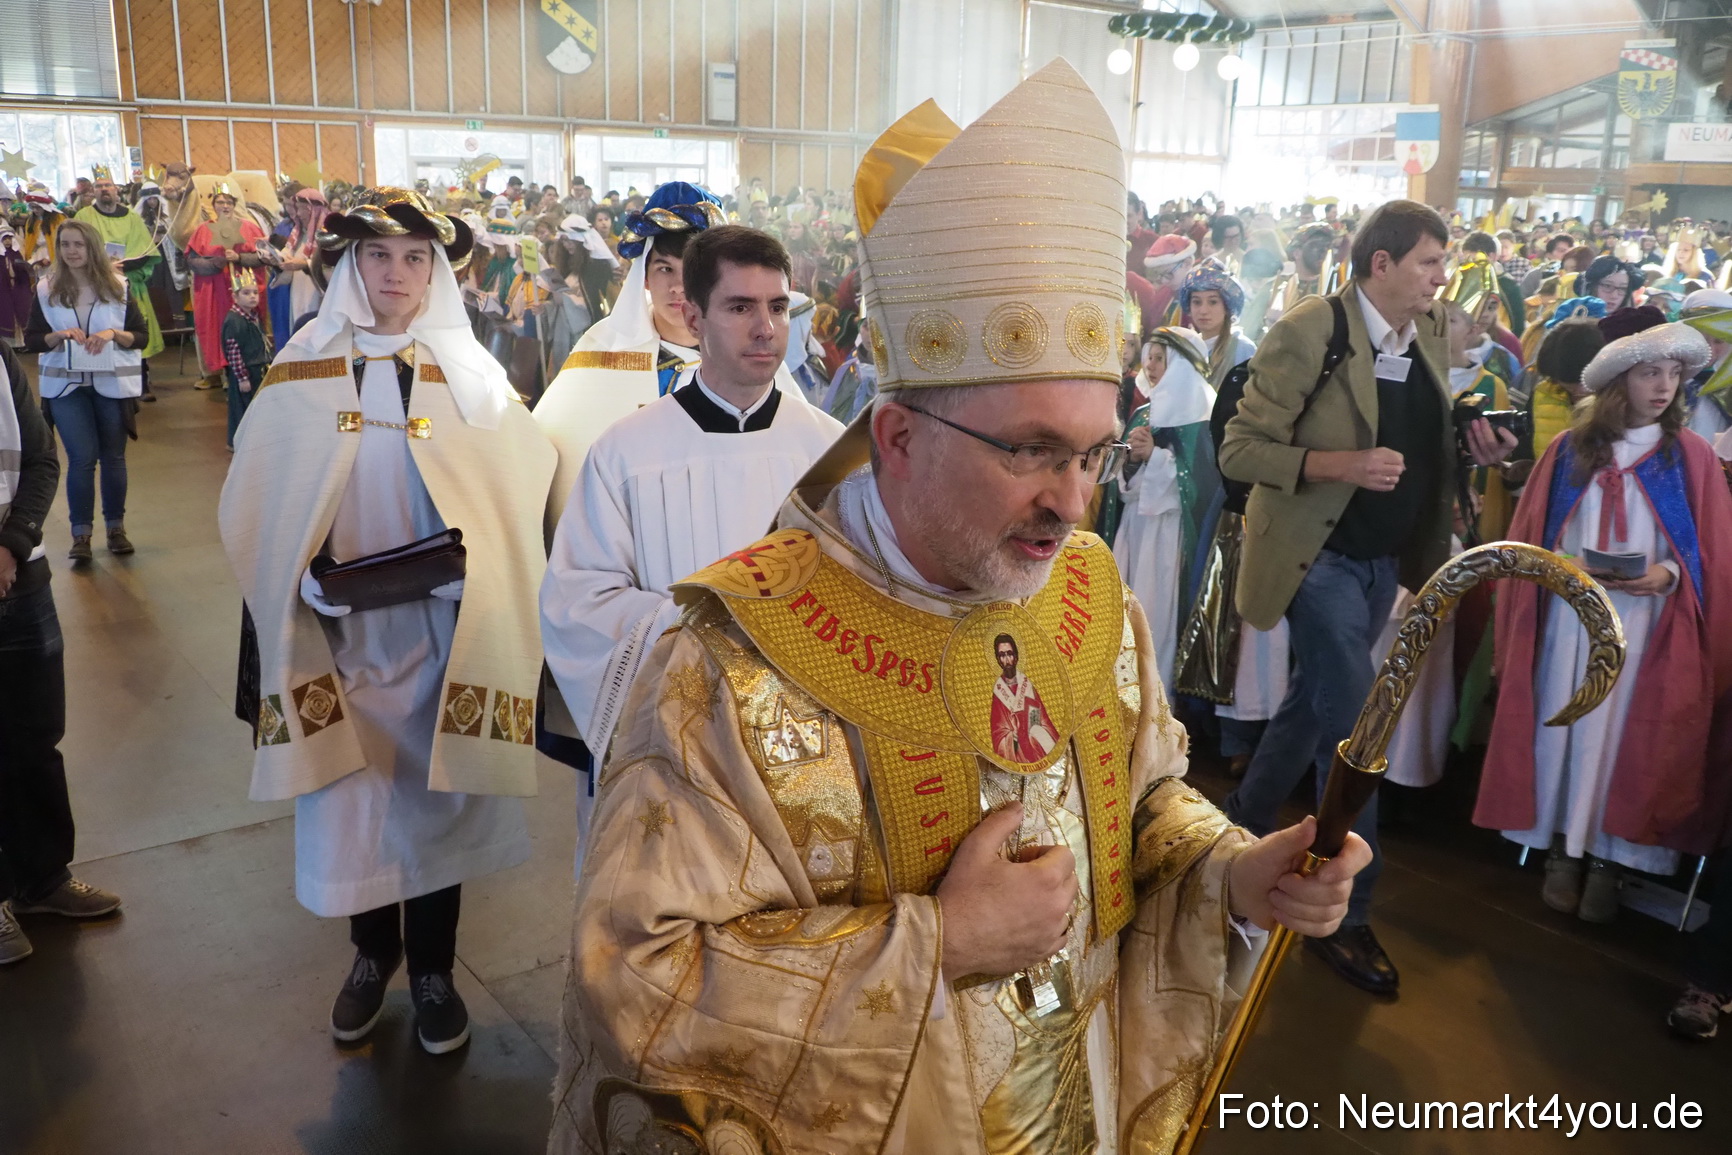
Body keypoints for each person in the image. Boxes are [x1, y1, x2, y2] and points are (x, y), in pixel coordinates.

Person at [547, 60, 1370, 1155]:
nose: (1069, 504)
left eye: (1089, 454)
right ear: (896, 437)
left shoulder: (1086, 591)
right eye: (1030, 451)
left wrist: (1230, 875)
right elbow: (636, 979)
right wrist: (937, 945)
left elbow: (1143, 800)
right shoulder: (730, 661)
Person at [217, 188, 557, 1054]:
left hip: (442, 636)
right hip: (338, 640)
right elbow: (254, 497)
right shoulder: (299, 371)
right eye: (378, 257)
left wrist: (477, 572)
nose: (396, 274)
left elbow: (520, 489)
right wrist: (298, 580)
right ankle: (371, 957)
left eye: (414, 258)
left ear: (435, 270)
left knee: (432, 800)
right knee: (353, 801)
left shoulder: (473, 377)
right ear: (350, 266)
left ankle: (436, 969)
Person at [1219, 199, 1516, 995]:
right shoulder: (1312, 330)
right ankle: (1347, 916)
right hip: (1316, 556)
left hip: (1381, 559)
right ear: (1379, 264)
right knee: (1355, 728)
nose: (1439, 279)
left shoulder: (1418, 332)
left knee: (1313, 702)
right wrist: (1341, 465)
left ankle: (1238, 821)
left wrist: (1472, 433)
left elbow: (1416, 425)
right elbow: (1241, 449)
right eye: (1426, 262)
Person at [539, 225, 842, 854]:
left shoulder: (829, 450)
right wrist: (707, 628)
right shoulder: (627, 451)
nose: (766, 328)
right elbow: (577, 599)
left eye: (778, 307)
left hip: (803, 737)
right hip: (674, 739)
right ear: (694, 316)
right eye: (740, 307)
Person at [1476, 314, 1732, 922]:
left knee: (1624, 738)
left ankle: (1608, 861)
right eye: (1650, 373)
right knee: (1569, 727)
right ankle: (1563, 849)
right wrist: (1566, 571)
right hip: (1572, 620)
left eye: (1672, 374)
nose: (1664, 386)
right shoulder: (1570, 449)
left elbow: (1711, 551)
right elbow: (1534, 534)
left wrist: (1664, 576)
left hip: (1650, 625)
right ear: (1619, 383)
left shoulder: (1689, 456)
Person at [0, 334, 123, 965]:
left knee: (35, 737)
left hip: (21, 579)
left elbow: (43, 461)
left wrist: (12, 542)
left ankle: (43, 880)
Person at [23, 219, 147, 562]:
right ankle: (82, 535)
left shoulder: (119, 286)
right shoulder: (46, 289)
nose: (71, 251)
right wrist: (59, 336)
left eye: (78, 244)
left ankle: (116, 528)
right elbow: (32, 340)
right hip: (65, 388)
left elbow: (142, 337)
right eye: (65, 245)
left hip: (112, 385)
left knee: (113, 458)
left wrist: (112, 334)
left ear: (91, 247)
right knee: (81, 459)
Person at [1112, 328, 1216, 681]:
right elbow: (1123, 484)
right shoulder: (1144, 411)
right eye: (1149, 357)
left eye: (1161, 358)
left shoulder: (1203, 412)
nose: (1151, 366)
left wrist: (1153, 455)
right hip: (1135, 526)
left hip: (1169, 535)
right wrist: (1133, 460)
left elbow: (1202, 484)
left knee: (1158, 614)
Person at [186, 183, 267, 390]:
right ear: (214, 205)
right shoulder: (203, 230)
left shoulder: (249, 228)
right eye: (220, 202)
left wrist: (239, 257)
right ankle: (226, 373)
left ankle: (251, 371)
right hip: (215, 292)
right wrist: (215, 263)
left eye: (228, 202)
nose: (224, 206)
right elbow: (193, 261)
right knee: (219, 328)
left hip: (244, 289)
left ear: (234, 205)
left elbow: (262, 257)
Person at [219, 270, 269, 449]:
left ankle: (253, 440)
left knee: (254, 407)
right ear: (235, 296)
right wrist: (242, 377)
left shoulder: (254, 316)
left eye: (255, 292)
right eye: (246, 293)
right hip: (245, 372)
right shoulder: (234, 321)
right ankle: (238, 442)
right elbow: (233, 351)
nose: (252, 297)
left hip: (257, 369)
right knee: (242, 408)